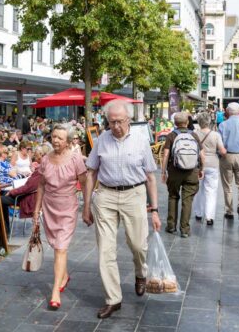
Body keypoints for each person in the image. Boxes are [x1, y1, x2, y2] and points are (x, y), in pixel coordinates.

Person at [83, 100, 161, 319]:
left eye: (120, 121)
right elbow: (91, 173)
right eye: (111, 122)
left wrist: (154, 210)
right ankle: (113, 299)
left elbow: (150, 177)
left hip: (134, 194)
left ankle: (140, 273)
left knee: (138, 245)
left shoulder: (140, 141)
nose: (115, 126)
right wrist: (86, 206)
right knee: (105, 250)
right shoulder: (101, 141)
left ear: (128, 119)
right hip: (106, 196)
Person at [33, 124, 88, 310]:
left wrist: (87, 206)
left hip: (67, 207)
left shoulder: (76, 159)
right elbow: (40, 184)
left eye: (60, 138)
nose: (56, 140)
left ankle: (55, 291)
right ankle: (63, 276)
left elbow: (85, 182)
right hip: (49, 206)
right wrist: (36, 209)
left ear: (68, 141)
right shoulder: (46, 160)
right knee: (56, 245)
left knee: (61, 248)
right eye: (54, 136)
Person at [161, 112, 204, 237]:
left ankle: (171, 226)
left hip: (174, 171)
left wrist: (163, 172)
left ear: (175, 123)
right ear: (187, 122)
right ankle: (185, 229)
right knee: (187, 200)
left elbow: (166, 155)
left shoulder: (171, 136)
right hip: (192, 171)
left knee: (173, 196)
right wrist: (202, 169)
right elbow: (202, 155)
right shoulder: (194, 135)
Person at [1, 145, 51, 235]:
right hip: (30, 196)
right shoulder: (47, 167)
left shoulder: (42, 169)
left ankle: (3, 230)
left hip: (28, 199)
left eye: (37, 155)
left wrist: (12, 191)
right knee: (2, 194)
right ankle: (4, 229)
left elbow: (27, 188)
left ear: (42, 155)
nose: (36, 157)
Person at [192, 113, 227, 225]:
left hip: (197, 165)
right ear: (209, 122)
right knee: (211, 191)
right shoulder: (215, 135)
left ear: (199, 122)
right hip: (212, 164)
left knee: (198, 190)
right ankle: (209, 217)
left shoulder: (194, 134)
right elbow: (222, 151)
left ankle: (198, 213)